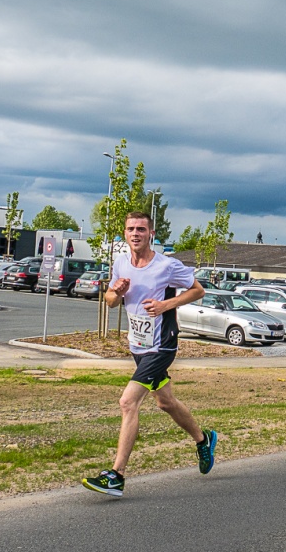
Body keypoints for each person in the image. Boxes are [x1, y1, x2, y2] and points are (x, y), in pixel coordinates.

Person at [82, 211, 216, 498]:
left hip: (162, 345)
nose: (135, 234)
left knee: (128, 402)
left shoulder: (166, 265)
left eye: (141, 229)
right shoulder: (120, 262)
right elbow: (111, 302)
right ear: (125, 232)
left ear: (151, 233)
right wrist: (115, 293)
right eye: (130, 228)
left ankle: (116, 475)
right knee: (165, 402)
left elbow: (197, 290)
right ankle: (204, 440)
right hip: (138, 346)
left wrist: (167, 305)